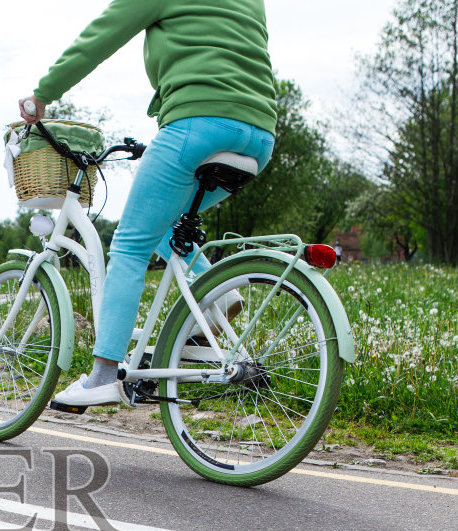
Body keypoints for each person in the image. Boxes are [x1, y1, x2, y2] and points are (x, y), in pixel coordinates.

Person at [18, 0, 279, 408]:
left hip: (196, 125)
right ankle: (219, 296)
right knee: (162, 226)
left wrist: (42, 95)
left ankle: (103, 376)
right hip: (260, 135)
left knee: (130, 244)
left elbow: (102, 35)